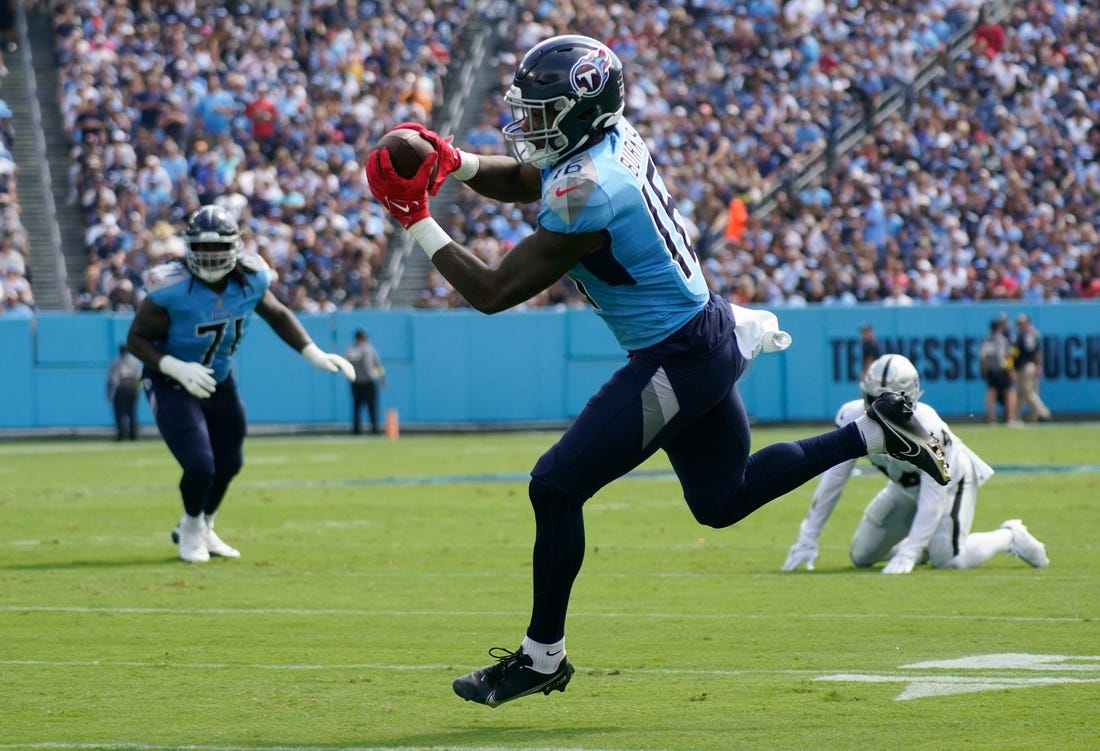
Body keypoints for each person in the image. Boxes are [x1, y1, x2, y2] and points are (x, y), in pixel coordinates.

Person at [366, 34, 949, 708]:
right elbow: (532, 178)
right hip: (698, 333)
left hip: (679, 354)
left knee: (554, 486)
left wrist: (414, 217)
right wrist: (456, 162)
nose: (528, 125)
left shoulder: (593, 189)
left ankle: (541, 655)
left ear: (581, 111)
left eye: (541, 112)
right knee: (721, 499)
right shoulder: (599, 146)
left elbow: (495, 292)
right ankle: (871, 432)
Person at [126, 205, 355, 563]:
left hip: (219, 378)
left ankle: (205, 526)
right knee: (201, 464)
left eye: (219, 248)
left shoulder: (251, 277)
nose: (211, 256)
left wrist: (313, 353)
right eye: (203, 248)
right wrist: (174, 366)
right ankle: (189, 528)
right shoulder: (169, 287)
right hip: (172, 381)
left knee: (230, 462)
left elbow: (278, 313)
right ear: (188, 249)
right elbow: (136, 339)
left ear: (235, 248)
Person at [782, 354, 1048, 574]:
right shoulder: (851, 416)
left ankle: (1010, 536)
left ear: (908, 400)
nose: (877, 411)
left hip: (950, 480)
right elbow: (833, 480)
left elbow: (934, 494)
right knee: (862, 555)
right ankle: (922, 546)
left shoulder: (928, 428)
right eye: (873, 401)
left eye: (886, 403)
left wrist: (909, 551)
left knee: (948, 558)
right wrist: (808, 538)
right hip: (905, 486)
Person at [979, 315, 1020, 424]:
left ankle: (992, 419)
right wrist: (1011, 370)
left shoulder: (986, 340)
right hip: (1003, 369)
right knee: (1010, 392)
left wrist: (985, 371)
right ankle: (1011, 418)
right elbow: (1007, 356)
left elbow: (983, 358)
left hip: (991, 370)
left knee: (991, 394)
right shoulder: (1002, 340)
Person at [345, 328, 386, 434]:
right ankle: (375, 429)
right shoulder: (369, 349)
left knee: (357, 407)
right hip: (369, 382)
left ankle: (356, 430)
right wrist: (382, 378)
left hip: (355, 382)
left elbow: (346, 365)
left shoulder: (350, 350)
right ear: (363, 337)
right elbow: (377, 365)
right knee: (372, 407)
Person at [1012, 314, 1052, 422]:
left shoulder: (1021, 336)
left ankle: (1043, 412)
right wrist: (1039, 366)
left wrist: (1010, 366)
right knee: (1023, 392)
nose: (1019, 325)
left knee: (1027, 391)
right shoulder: (1034, 334)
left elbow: (1014, 353)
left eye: (1021, 323)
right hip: (1032, 366)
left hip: (1025, 367)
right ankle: (1023, 417)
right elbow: (1038, 353)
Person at [107, 344, 143, 440]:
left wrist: (109, 393)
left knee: (119, 412)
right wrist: (138, 390)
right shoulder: (135, 362)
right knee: (132, 412)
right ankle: (133, 435)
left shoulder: (116, 362)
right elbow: (140, 378)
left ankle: (121, 435)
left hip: (121, 388)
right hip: (132, 388)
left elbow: (112, 379)